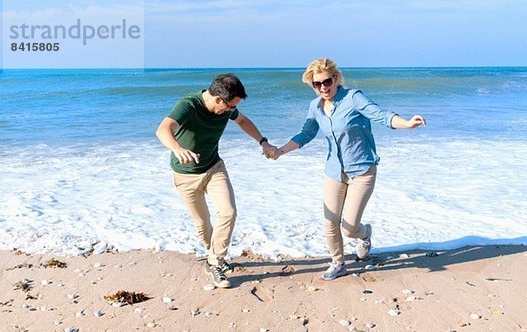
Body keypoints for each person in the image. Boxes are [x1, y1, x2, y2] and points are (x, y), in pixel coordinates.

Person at [270, 58, 426, 281]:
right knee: (329, 221)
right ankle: (338, 263)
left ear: (335, 79)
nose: (323, 87)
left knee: (349, 228)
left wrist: (407, 123)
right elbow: (305, 134)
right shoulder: (315, 107)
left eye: (326, 81)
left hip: (362, 170)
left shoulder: (353, 98)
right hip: (334, 171)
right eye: (317, 84)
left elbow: (380, 115)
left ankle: (365, 234)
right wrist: (280, 151)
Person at [156, 74, 278, 288]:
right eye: (231, 106)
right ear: (218, 99)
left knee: (228, 212)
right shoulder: (189, 105)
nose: (232, 110)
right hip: (185, 176)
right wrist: (177, 148)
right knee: (203, 225)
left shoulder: (228, 109)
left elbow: (243, 121)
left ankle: (215, 262)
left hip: (214, 167)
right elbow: (163, 129)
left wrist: (263, 142)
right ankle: (213, 256)